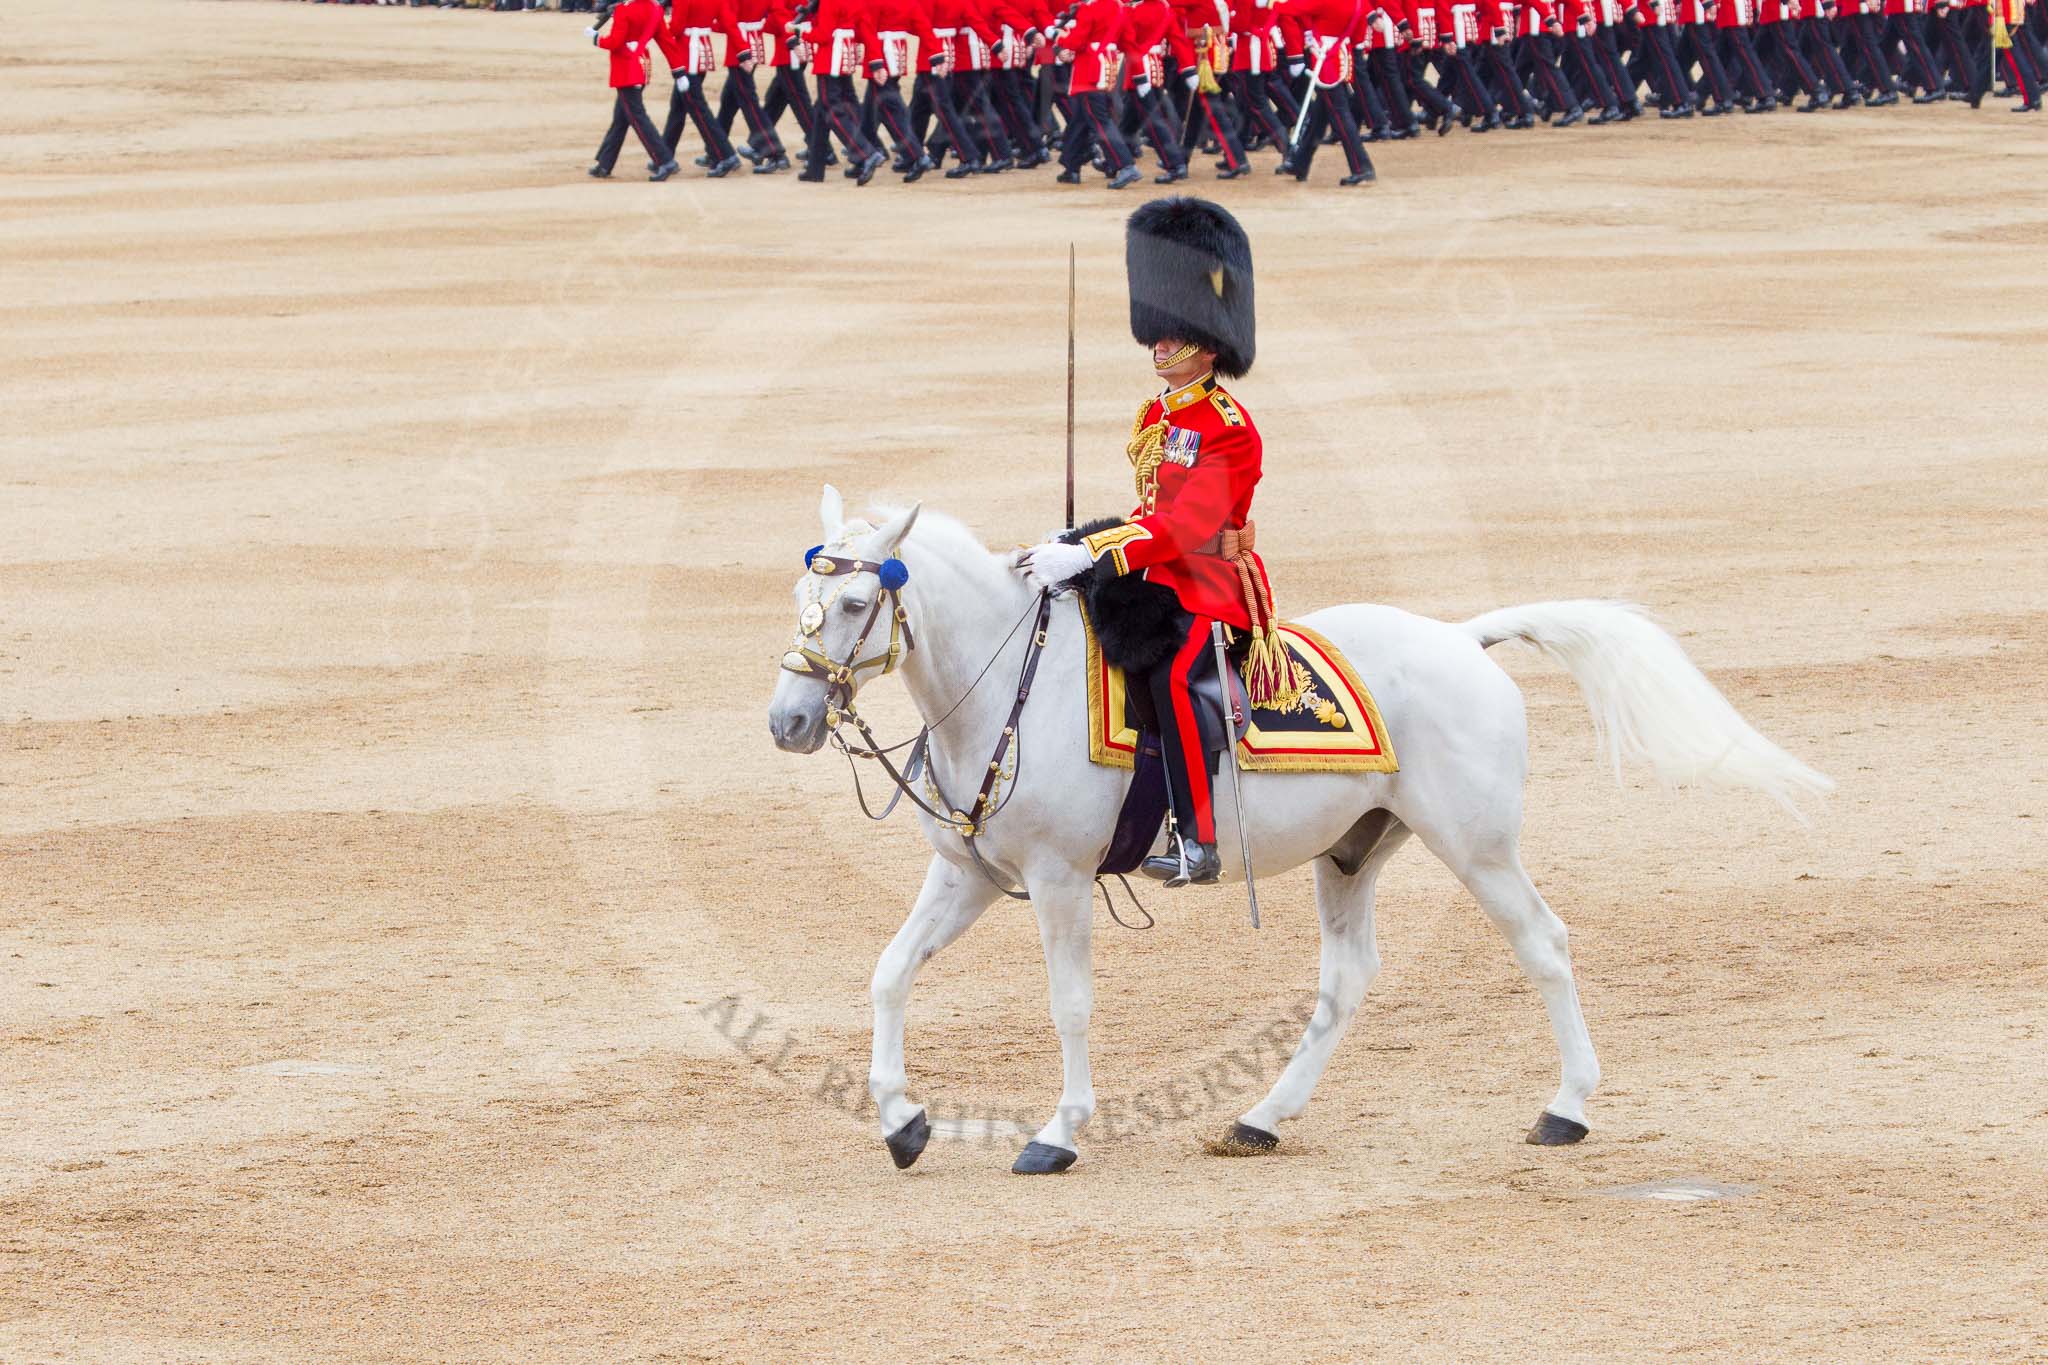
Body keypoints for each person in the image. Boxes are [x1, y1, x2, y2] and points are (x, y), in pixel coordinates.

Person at [1020, 198, 1272, 887]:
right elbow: (1152, 506)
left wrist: (1100, 553)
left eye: (1172, 336)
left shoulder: (1228, 425)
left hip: (1208, 582)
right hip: (1160, 568)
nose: (1158, 346)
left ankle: (1197, 838)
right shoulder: (1157, 412)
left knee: (1173, 673)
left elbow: (1190, 526)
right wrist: (1081, 541)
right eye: (1155, 336)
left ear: (1208, 341)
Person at [588, 0, 682, 180]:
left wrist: (595, 38)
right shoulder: (654, 9)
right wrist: (678, 70)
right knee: (621, 119)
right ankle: (605, 164)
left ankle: (664, 159)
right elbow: (665, 41)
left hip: (626, 70)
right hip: (642, 65)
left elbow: (614, 42)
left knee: (638, 118)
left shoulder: (624, 10)